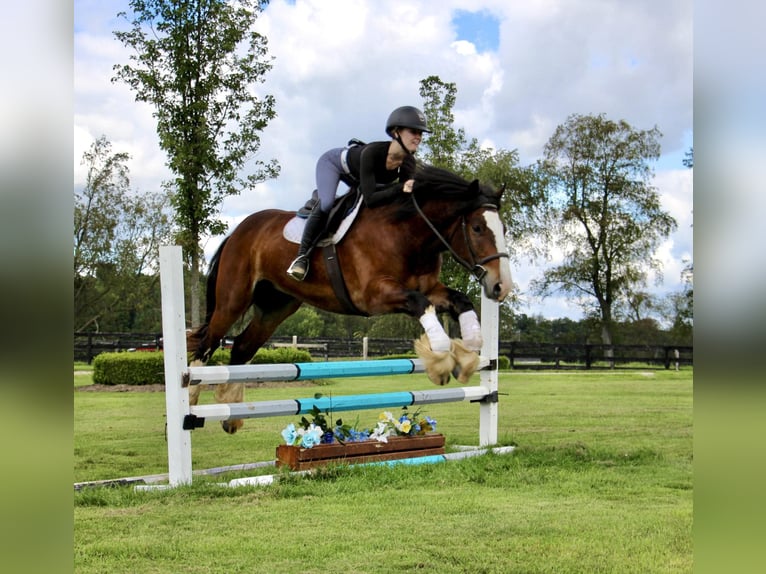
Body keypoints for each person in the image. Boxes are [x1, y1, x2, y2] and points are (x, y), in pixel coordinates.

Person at [286, 105, 430, 281]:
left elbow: (402, 201)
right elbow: (371, 199)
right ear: (395, 132)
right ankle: (301, 258)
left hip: (360, 180)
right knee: (327, 204)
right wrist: (401, 188)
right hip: (334, 165)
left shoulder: (408, 163)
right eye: (413, 132)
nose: (418, 137)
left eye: (420, 133)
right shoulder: (373, 152)